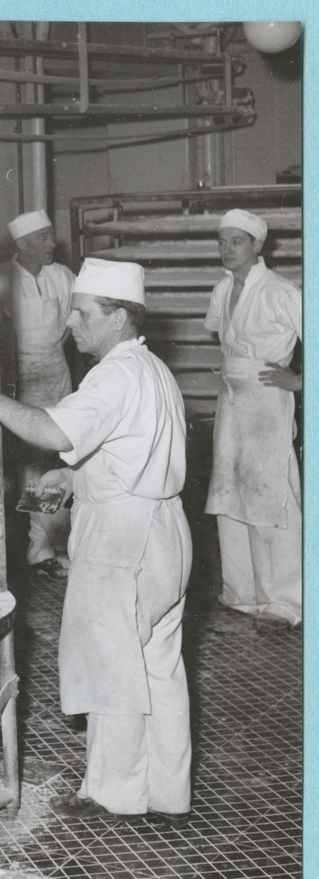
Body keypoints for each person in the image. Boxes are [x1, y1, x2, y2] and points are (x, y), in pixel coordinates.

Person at [0, 258, 192, 825]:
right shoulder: (152, 369)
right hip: (162, 528)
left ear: (118, 317)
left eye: (82, 313)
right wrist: (75, 477)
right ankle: (167, 792)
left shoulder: (114, 375)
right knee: (157, 665)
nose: (69, 323)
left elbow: (52, 429)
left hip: (121, 536)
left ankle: (114, 794)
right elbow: (135, 450)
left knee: (112, 665)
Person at [204, 209, 302, 630]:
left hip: (267, 399)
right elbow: (222, 336)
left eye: (237, 242)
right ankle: (241, 592)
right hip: (231, 401)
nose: (227, 249)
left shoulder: (281, 290)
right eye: (222, 241)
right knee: (229, 493)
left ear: (257, 245)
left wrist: (299, 380)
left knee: (269, 494)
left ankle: (285, 601)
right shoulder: (221, 289)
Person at [0, 209, 76, 578]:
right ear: (22, 243)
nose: (51, 243)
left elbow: (73, 323)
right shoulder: (4, 277)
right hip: (21, 377)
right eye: (43, 237)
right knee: (33, 468)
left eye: (50, 235)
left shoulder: (61, 276)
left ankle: (45, 547)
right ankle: (42, 547)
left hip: (56, 374)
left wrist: (50, 353)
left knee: (57, 463)